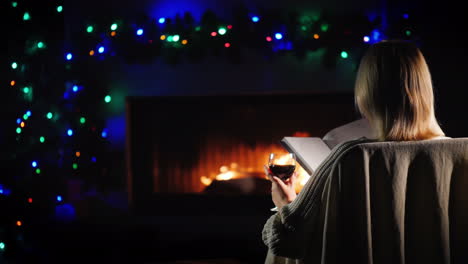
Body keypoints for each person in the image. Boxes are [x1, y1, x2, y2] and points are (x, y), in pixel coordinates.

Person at [262, 40, 447, 263]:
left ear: (367, 93)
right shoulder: (461, 151)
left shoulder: (351, 155)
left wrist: (286, 202)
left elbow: (287, 239)